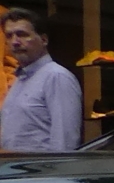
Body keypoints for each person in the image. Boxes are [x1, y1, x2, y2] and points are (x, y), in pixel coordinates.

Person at [1, 10, 85, 152]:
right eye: (9, 36)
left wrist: (56, 173)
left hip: (43, 172)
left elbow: (66, 141)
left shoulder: (57, 77)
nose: (14, 42)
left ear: (44, 40)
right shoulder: (19, 80)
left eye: (22, 34)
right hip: (14, 171)